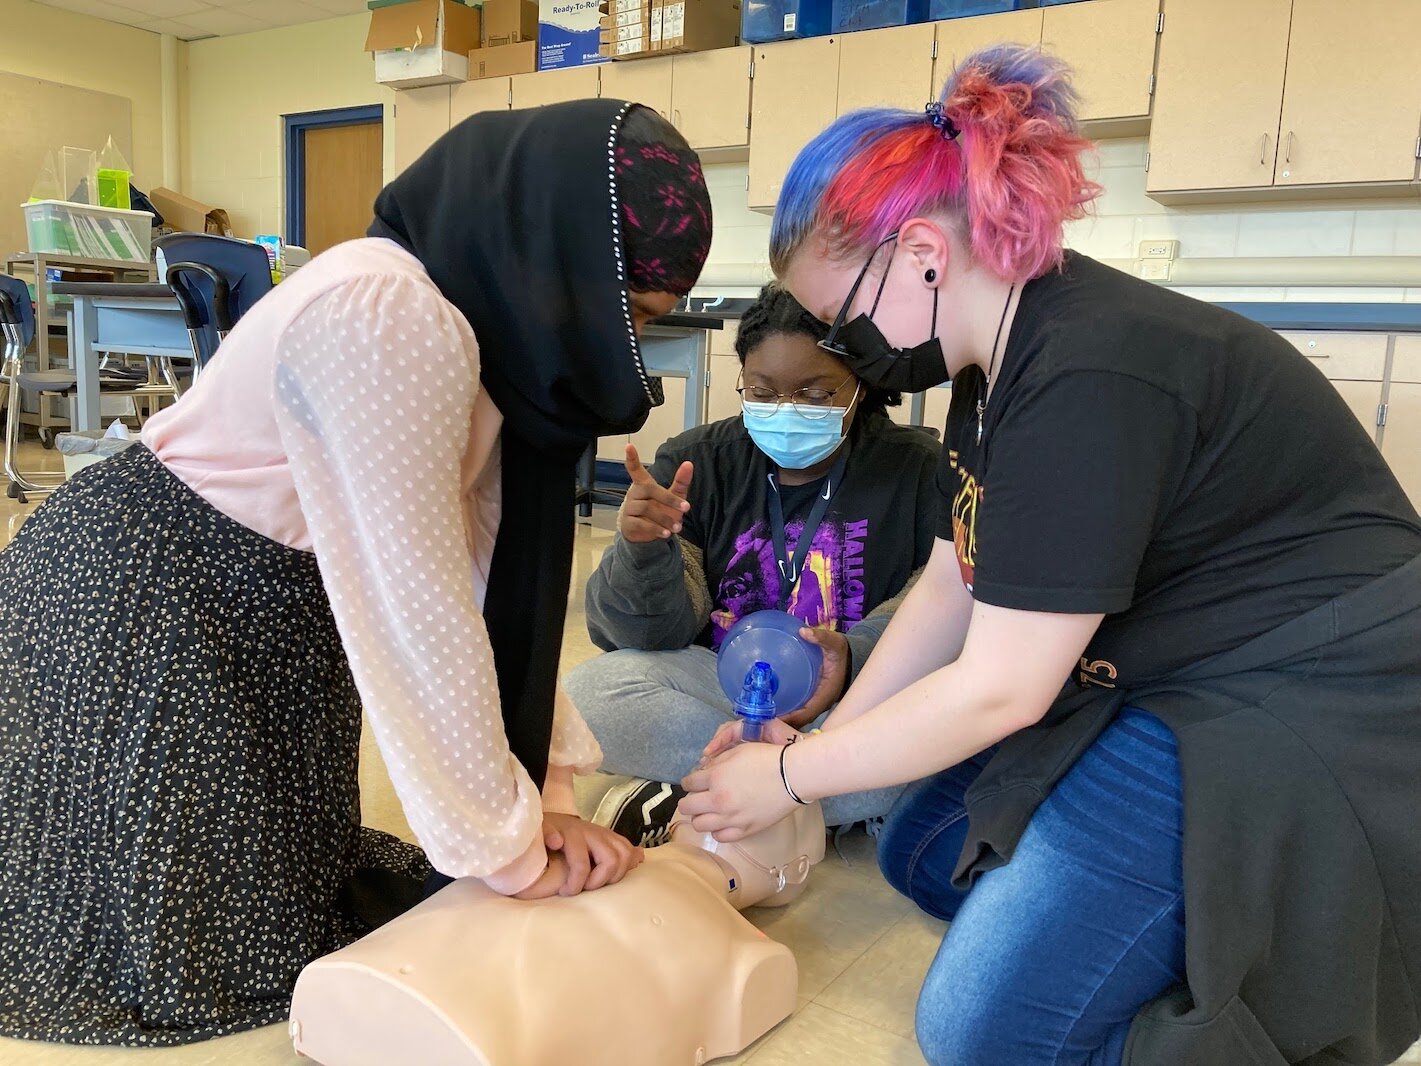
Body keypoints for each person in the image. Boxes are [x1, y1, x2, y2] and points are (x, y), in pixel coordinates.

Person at [680, 45, 1421, 1066]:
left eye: (837, 313)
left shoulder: (1088, 369)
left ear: (920, 256)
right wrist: (816, 752)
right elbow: (953, 577)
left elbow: (999, 690)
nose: (840, 341)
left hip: (1295, 700)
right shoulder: (996, 360)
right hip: (1167, 666)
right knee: (920, 849)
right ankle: (1132, 921)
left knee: (976, 1033)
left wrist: (795, 778)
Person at [0, 100, 713, 1046]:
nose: (620, 349)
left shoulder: (485, 330)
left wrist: (537, 801)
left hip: (257, 591)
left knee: (279, 897)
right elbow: (417, 605)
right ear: (561, 257)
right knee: (175, 944)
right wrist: (506, 849)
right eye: (625, 311)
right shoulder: (387, 314)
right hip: (151, 592)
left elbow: (500, 577)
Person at [565, 285, 939, 840]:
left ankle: (717, 793)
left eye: (814, 394)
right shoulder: (698, 462)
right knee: (591, 696)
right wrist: (643, 552)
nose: (786, 411)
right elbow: (644, 634)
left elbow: (933, 613)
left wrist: (853, 660)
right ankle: (795, 795)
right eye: (763, 392)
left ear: (861, 385)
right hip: (725, 689)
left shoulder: (919, 472)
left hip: (851, 702)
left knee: (932, 744)